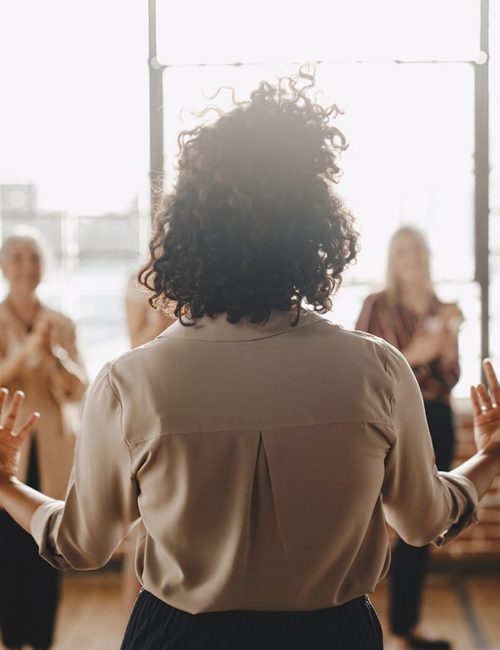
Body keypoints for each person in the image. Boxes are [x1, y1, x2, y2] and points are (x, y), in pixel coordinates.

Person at [0, 69, 499, 650]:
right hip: (331, 636)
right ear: (315, 230)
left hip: (179, 638)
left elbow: (79, 545)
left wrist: (6, 484)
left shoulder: (130, 383)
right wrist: (491, 456)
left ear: (185, 233)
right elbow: (425, 520)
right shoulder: (378, 371)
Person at [355, 226, 464, 650]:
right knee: (365, 518)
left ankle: (405, 627)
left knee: (424, 520)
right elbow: (368, 368)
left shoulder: (445, 308)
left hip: (435, 416)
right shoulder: (376, 306)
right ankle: (350, 621)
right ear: (391, 259)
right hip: (387, 419)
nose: (412, 257)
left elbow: (449, 376)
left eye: (418, 249)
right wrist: (418, 353)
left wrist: (440, 349)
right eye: (403, 251)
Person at [0, 231, 87, 650]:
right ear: (4, 266)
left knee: (47, 546)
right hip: (6, 451)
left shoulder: (62, 324)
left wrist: (54, 356)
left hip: (50, 452)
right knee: (6, 555)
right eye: (17, 257)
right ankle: (14, 640)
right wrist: (24, 351)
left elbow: (78, 388)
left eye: (33, 257)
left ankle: (43, 641)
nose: (26, 266)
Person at [121, 274, 176, 616]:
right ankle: (135, 623)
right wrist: (162, 318)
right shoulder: (140, 281)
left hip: (196, 393)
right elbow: (134, 347)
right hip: (153, 400)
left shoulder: (212, 268)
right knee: (144, 524)